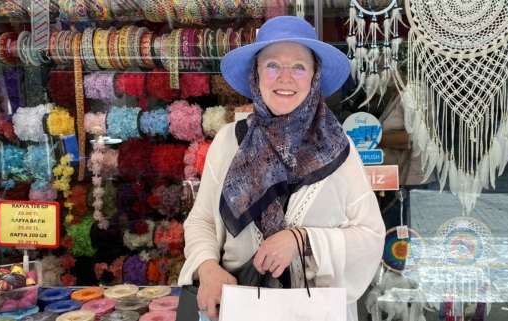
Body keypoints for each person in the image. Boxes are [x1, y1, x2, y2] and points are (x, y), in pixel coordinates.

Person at [178, 16, 385, 321]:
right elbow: (202, 222)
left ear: (314, 77)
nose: (285, 78)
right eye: (272, 65)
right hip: (239, 306)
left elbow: (370, 237)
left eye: (299, 67)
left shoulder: (340, 150)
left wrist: (302, 240)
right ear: (256, 76)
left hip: (315, 312)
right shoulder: (228, 142)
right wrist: (207, 267)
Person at [377, 94, 436, 230]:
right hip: (396, 178)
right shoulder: (397, 94)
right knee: (395, 239)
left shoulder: (413, 94)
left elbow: (414, 138)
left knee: (400, 241)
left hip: (410, 179)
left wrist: (372, 139)